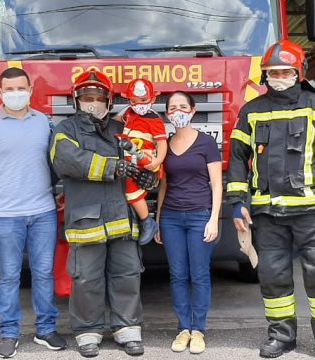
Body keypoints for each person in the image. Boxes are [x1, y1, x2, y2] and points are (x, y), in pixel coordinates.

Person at [227, 39, 315, 360]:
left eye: (285, 71)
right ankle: (281, 337)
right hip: (267, 213)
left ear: (299, 72)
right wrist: (238, 201)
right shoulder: (251, 111)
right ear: (264, 75)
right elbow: (237, 160)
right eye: (272, 72)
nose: (279, 76)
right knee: (272, 277)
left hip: (312, 211)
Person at [50, 69, 159, 358]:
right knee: (87, 278)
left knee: (127, 274)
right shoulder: (65, 130)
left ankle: (128, 330)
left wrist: (148, 177)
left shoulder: (119, 129)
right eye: (87, 97)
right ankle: (88, 333)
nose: (93, 102)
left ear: (109, 101)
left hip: (122, 217)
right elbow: (67, 161)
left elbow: (139, 156)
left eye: (99, 97)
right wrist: (113, 167)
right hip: (87, 221)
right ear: (76, 100)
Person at [0, 67, 66, 358]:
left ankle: (46, 329)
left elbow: (56, 163)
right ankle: (9, 332)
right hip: (5, 214)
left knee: (44, 273)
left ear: (30, 89)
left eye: (20, 88)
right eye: (9, 90)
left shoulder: (45, 124)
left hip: (44, 211)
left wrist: (58, 193)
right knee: (9, 275)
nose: (15, 94)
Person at [155, 91, 222, 354]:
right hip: (171, 217)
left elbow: (216, 184)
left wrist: (214, 218)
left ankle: (199, 330)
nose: (178, 111)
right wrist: (159, 219)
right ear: (167, 114)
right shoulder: (166, 144)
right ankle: (183, 328)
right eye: (173, 107)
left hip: (200, 216)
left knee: (199, 274)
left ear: (193, 111)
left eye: (183, 106)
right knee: (178, 275)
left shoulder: (206, 143)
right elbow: (163, 185)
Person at [119, 78, 167, 243]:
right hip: (128, 159)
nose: (139, 104)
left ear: (153, 99)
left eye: (144, 100)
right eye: (134, 101)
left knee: (130, 192)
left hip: (144, 162)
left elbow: (161, 142)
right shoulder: (128, 114)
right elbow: (115, 124)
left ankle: (147, 222)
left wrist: (158, 161)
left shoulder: (154, 120)